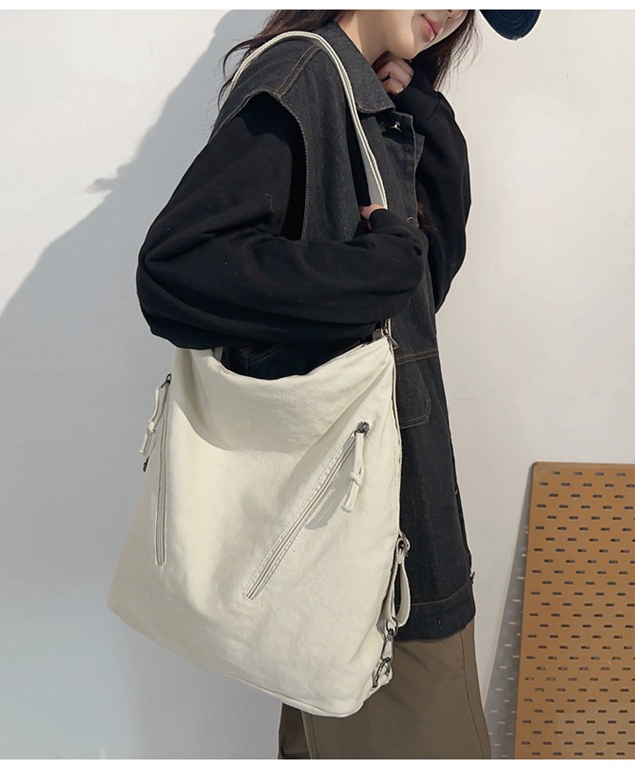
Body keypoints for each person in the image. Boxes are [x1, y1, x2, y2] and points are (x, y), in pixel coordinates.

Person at [135, 8, 539, 760]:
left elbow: (419, 292)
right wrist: (371, 270)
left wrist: (428, 120)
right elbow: (177, 270)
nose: (455, 8)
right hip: (368, 550)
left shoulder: (359, 94)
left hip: (377, 533)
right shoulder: (303, 77)